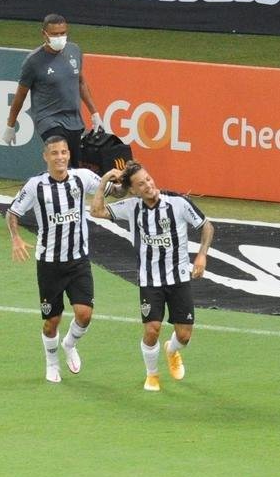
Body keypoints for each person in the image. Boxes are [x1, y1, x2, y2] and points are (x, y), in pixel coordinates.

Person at [91, 161, 214, 392]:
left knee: (184, 335)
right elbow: (96, 211)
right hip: (150, 281)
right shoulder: (131, 207)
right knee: (152, 329)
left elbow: (207, 226)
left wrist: (201, 256)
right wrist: (105, 180)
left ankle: (172, 350)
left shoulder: (178, 203)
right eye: (141, 184)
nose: (148, 185)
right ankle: (152, 375)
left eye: (148, 179)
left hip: (179, 279)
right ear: (134, 190)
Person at [6, 134, 114, 384]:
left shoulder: (82, 177)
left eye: (64, 152)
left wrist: (119, 178)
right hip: (49, 263)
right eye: (54, 153)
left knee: (85, 314)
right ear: (46, 157)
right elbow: (12, 213)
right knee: (51, 321)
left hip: (78, 260)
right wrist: (16, 238)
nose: (60, 157)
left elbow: (111, 190)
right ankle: (52, 363)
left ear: (69, 155)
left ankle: (70, 344)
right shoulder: (35, 186)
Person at [0, 13, 104, 168]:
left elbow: (81, 82)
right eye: (55, 34)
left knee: (75, 167)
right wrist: (10, 125)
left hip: (73, 119)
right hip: (48, 119)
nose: (60, 37)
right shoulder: (33, 61)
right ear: (44, 34)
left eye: (63, 33)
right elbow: (20, 95)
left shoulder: (74, 51)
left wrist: (95, 113)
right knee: (60, 154)